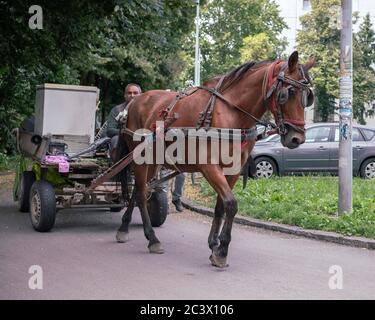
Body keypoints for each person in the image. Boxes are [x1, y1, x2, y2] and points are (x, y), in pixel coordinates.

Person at [106, 83, 142, 161]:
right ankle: (118, 166)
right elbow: (110, 130)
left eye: (135, 93)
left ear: (141, 95)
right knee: (115, 139)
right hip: (121, 140)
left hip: (140, 141)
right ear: (125, 95)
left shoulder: (146, 111)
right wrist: (126, 133)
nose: (132, 95)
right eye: (129, 93)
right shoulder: (117, 110)